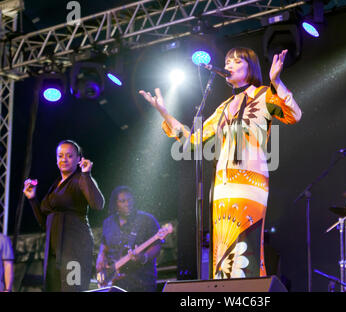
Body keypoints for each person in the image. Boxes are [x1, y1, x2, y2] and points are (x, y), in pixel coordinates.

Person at [139, 47, 301, 279]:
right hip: (222, 187)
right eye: (228, 61)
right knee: (223, 251)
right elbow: (193, 140)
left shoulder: (263, 95)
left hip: (249, 182)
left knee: (246, 249)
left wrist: (276, 81)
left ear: (251, 67)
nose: (230, 65)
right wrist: (165, 113)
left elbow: (293, 115)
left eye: (237, 61)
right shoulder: (223, 108)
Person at [23, 140, 105, 291]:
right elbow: (44, 222)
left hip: (74, 248)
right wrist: (32, 199)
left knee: (72, 288)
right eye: (60, 156)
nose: (64, 159)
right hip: (54, 252)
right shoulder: (56, 185)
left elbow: (98, 204)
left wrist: (87, 174)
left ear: (79, 159)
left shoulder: (80, 179)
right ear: (56, 159)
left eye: (69, 156)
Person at [96, 186, 162, 292]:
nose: (127, 204)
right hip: (115, 282)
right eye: (122, 201)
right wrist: (101, 256)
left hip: (141, 281)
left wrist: (144, 257)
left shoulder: (147, 220)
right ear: (115, 205)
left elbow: (157, 245)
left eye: (129, 200)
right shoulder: (108, 223)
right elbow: (104, 244)